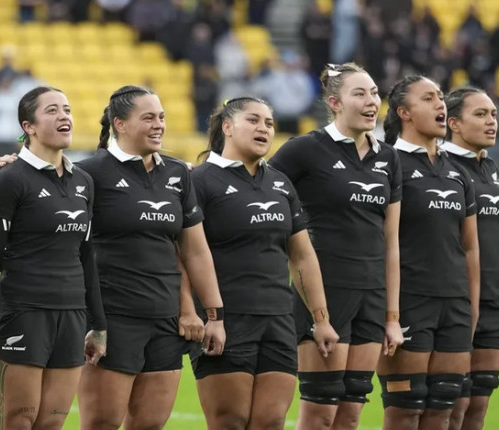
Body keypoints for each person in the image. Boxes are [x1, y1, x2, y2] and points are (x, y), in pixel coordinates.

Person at [75, 85, 226, 430]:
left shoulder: (177, 174)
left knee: (149, 425)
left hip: (164, 321)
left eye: (162, 117)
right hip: (111, 318)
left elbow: (195, 250)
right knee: (101, 423)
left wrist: (214, 314)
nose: (159, 125)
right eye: (148, 118)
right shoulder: (88, 174)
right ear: (120, 124)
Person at [269, 63, 405, 430]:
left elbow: (391, 242)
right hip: (324, 295)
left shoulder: (388, 158)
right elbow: (258, 191)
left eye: (375, 92)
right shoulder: (303, 151)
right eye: (359, 93)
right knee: (320, 414)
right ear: (334, 102)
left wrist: (391, 318)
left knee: (350, 415)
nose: (371, 101)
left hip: (372, 299)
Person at [190, 96, 339, 429]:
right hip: (227, 320)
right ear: (227, 127)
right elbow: (186, 256)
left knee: (271, 422)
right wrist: (205, 315)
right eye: (253, 120)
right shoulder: (200, 182)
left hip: (278, 320)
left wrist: (321, 318)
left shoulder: (280, 184)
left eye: (269, 123)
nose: (264, 128)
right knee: (231, 421)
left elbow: (301, 254)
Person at [0, 86, 107, 429]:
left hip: (71, 317)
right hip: (23, 313)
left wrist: (99, 324)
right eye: (52, 111)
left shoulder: (84, 182)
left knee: (51, 422)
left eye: (67, 109)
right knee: (20, 419)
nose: (64, 116)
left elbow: (86, 256)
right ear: (28, 126)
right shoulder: (8, 180)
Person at [376, 75, 480, 430]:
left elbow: (469, 247)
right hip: (408, 303)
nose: (441, 104)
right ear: (404, 112)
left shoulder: (458, 172)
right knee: (405, 410)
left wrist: (472, 309)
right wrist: (389, 314)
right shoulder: (386, 164)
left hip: (454, 306)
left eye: (441, 97)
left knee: (443, 410)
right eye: (429, 98)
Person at [440, 88, 499, 430]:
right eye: (480, 114)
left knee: (478, 405)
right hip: (453, 299)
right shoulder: (441, 165)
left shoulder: (491, 168)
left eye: (493, 114)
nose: (491, 121)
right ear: (454, 123)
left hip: (493, 298)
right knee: (452, 406)